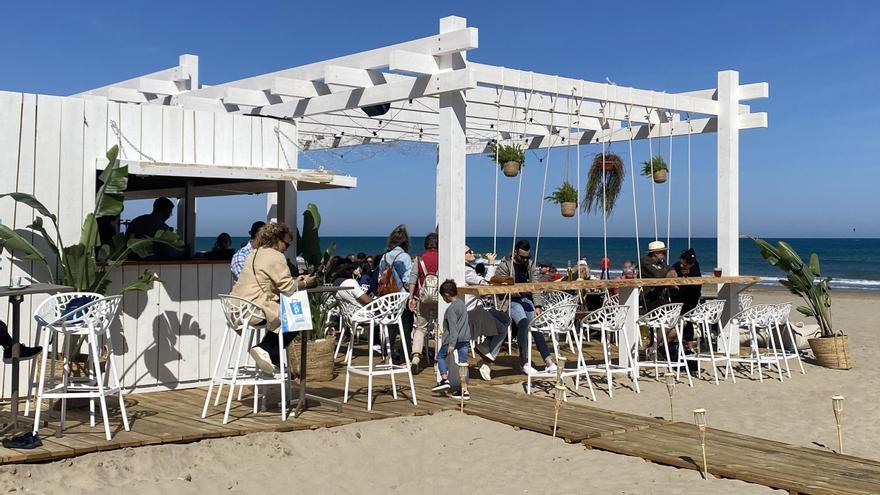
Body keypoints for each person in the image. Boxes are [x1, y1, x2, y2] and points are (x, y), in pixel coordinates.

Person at [231, 222, 315, 374]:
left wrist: (294, 281)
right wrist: (304, 283)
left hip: (237, 308)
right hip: (254, 310)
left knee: (287, 314)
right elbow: (287, 288)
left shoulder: (255, 253)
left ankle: (270, 356)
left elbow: (270, 281)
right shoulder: (276, 256)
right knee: (298, 317)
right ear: (277, 239)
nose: (286, 248)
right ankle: (266, 350)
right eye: (286, 244)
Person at [494, 239, 556, 375]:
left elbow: (535, 286)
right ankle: (524, 361)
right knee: (523, 322)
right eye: (522, 257)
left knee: (535, 324)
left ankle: (549, 362)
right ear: (515, 252)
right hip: (510, 300)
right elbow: (499, 286)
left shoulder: (530, 264)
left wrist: (538, 305)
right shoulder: (505, 265)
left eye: (527, 257)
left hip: (526, 299)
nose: (525, 260)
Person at [465, 247, 513, 381]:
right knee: (502, 330)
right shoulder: (466, 271)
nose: (472, 252)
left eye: (471, 250)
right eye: (468, 252)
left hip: (480, 307)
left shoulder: (468, 269)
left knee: (505, 319)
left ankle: (485, 346)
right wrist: (491, 264)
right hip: (473, 310)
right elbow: (486, 284)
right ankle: (488, 361)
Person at [378, 225, 414, 360]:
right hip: (401, 297)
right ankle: (405, 356)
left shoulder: (384, 257)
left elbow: (380, 278)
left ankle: (389, 354)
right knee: (406, 328)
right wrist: (412, 294)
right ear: (405, 241)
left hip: (387, 297)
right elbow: (407, 280)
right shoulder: (404, 257)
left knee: (391, 327)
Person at [431, 280, 470, 400]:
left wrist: (452, 344)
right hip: (465, 338)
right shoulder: (462, 304)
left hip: (453, 339)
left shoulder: (451, 309)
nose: (443, 299)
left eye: (443, 296)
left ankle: (444, 379)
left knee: (440, 356)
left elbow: (453, 328)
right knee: (463, 364)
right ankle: (464, 390)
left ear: (447, 295)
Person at [407, 233, 439, 369]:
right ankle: (439, 360)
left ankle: (415, 357)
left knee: (420, 328)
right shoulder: (442, 258)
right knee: (439, 328)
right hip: (439, 298)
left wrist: (411, 297)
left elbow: (413, 279)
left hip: (422, 298)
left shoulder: (419, 259)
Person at [671, 248, 702, 345]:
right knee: (685, 319)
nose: (681, 265)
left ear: (691, 264)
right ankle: (684, 344)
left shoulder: (695, 270)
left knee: (686, 318)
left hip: (690, 298)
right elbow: (671, 271)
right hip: (679, 297)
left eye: (684, 264)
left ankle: (687, 345)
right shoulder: (678, 265)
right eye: (681, 263)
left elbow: (694, 288)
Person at [639, 240, 672, 312]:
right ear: (656, 253)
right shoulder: (645, 262)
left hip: (657, 296)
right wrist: (667, 270)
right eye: (663, 253)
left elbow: (670, 270)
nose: (665, 255)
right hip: (647, 298)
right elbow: (658, 275)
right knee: (668, 307)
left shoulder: (660, 262)